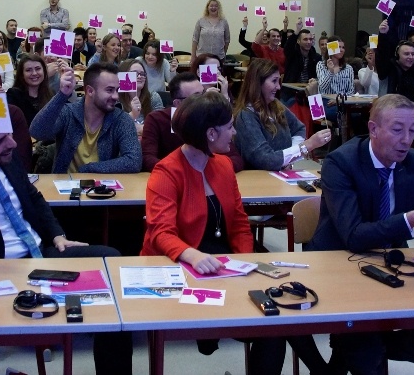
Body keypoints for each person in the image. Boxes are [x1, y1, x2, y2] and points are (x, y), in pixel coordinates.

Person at [0, 107, 133, 375]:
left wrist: (57, 235)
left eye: (9, 135)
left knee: (110, 264)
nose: (12, 143)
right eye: (0, 141)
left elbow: (33, 197)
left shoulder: (7, 158)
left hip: (39, 255)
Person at [142, 91, 301, 375]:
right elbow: (160, 233)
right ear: (211, 133)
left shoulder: (224, 165)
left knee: (274, 322)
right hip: (178, 267)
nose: (235, 132)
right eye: (229, 126)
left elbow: (240, 223)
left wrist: (245, 264)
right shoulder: (165, 172)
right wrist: (192, 255)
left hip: (224, 267)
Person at [308, 94, 414, 374]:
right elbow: (353, 236)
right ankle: (358, 346)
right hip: (337, 264)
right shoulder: (341, 162)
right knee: (365, 356)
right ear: (373, 129)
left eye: (413, 130)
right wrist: (409, 219)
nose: (407, 139)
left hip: (388, 268)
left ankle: (355, 347)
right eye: (397, 130)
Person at [30, 63, 141, 174]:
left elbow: (134, 161)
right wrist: (62, 95)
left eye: (117, 90)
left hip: (103, 187)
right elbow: (37, 132)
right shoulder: (68, 113)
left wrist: (90, 168)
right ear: (90, 91)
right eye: (109, 90)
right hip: (65, 186)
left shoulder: (121, 119)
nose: (116, 96)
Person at [233, 59, 330, 171]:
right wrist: (306, 146)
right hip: (259, 179)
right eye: (274, 81)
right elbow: (264, 159)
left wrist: (290, 157)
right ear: (258, 83)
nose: (278, 87)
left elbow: (299, 128)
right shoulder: (246, 116)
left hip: (281, 174)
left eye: (278, 81)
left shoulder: (276, 105)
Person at [374, 19, 414, 115]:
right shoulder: (388, 70)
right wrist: (382, 35)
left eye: (413, 54)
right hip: (391, 114)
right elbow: (382, 55)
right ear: (397, 56)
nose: (410, 57)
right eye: (406, 54)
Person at [6, 54, 54, 127]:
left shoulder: (51, 93)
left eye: (38, 69)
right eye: (28, 70)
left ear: (44, 71)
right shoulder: (13, 95)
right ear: (22, 74)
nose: (34, 73)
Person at [117, 59, 163, 135]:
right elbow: (113, 128)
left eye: (142, 74)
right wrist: (132, 115)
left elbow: (160, 126)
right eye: (135, 73)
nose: (140, 76)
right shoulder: (116, 99)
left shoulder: (153, 97)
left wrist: (140, 128)